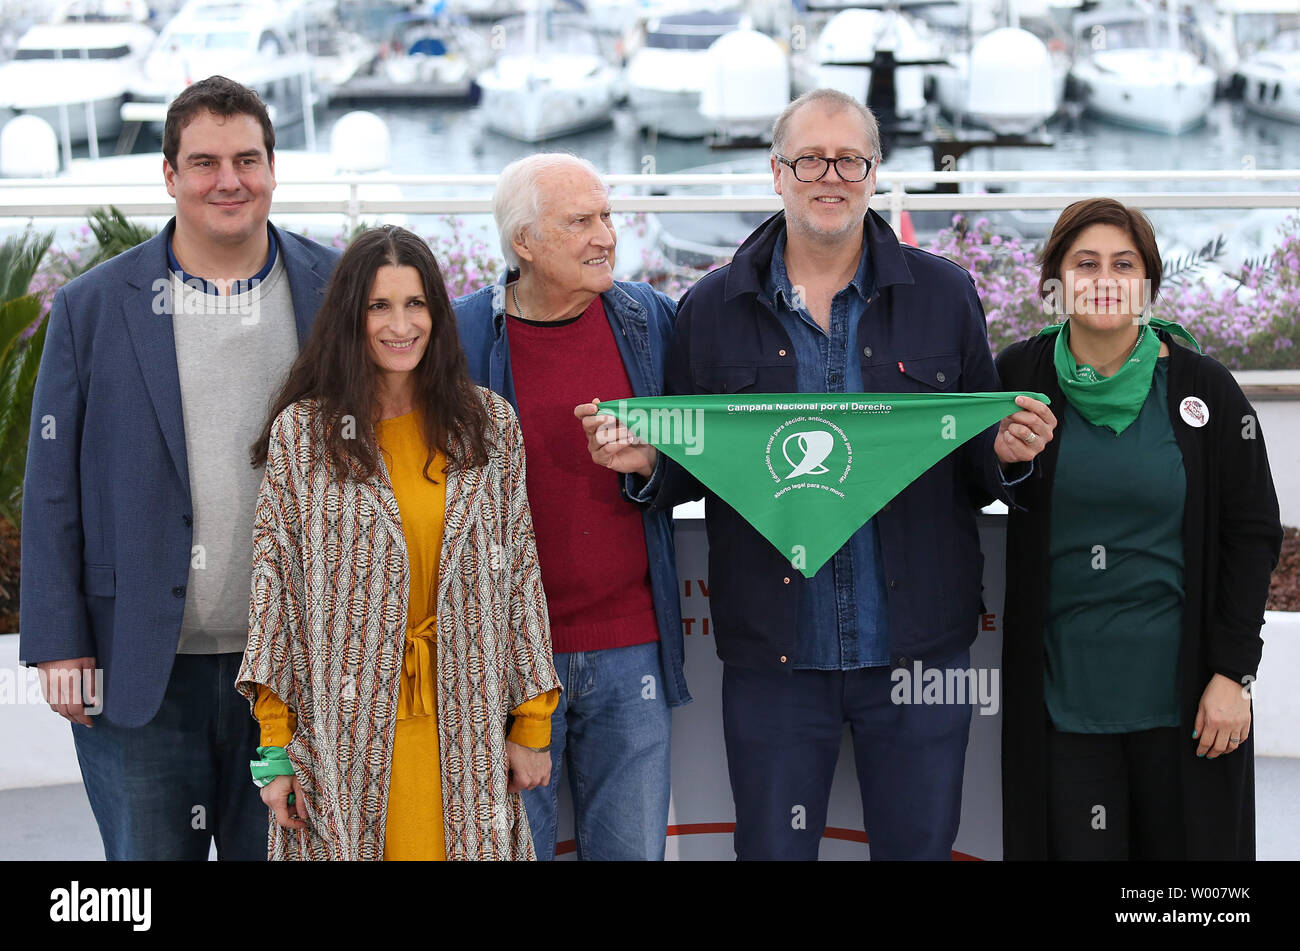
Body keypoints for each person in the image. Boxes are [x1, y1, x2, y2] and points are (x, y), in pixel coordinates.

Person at [584, 88, 1056, 861]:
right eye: (809, 158)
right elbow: (697, 463)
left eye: (850, 159)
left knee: (920, 851)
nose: (828, 175)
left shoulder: (946, 295)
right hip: (775, 656)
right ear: (777, 172)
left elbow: (971, 462)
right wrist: (649, 464)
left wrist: (1005, 456)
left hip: (919, 650)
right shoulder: (710, 307)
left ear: (875, 173)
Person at [19, 76, 340, 860]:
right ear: (169, 176)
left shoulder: (334, 291)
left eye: (247, 159)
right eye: (204, 162)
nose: (228, 181)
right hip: (139, 675)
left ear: (272, 167)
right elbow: (52, 483)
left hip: (296, 670)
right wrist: (60, 643)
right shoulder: (95, 306)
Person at [238, 226, 560, 861]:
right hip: (344, 732)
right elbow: (277, 594)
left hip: (468, 721)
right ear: (350, 318)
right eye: (379, 306)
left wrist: (532, 722)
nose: (400, 324)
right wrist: (275, 748)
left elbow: (520, 575)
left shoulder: (487, 425)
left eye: (415, 304)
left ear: (437, 314)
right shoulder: (305, 435)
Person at [995, 198, 1281, 860]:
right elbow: (967, 483)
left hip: (1189, 705)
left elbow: (1252, 533)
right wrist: (999, 459)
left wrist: (1233, 674)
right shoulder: (1017, 379)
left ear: (1147, 283)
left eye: (1124, 264)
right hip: (1061, 703)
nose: (1104, 277)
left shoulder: (1206, 391)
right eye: (1084, 262)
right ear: (1056, 280)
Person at [453, 153, 689, 861]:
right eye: (581, 221)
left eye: (607, 216)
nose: (605, 236)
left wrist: (651, 465)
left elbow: (705, 456)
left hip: (631, 649)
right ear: (525, 242)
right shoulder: (462, 336)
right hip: (503, 656)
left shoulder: (648, 318)